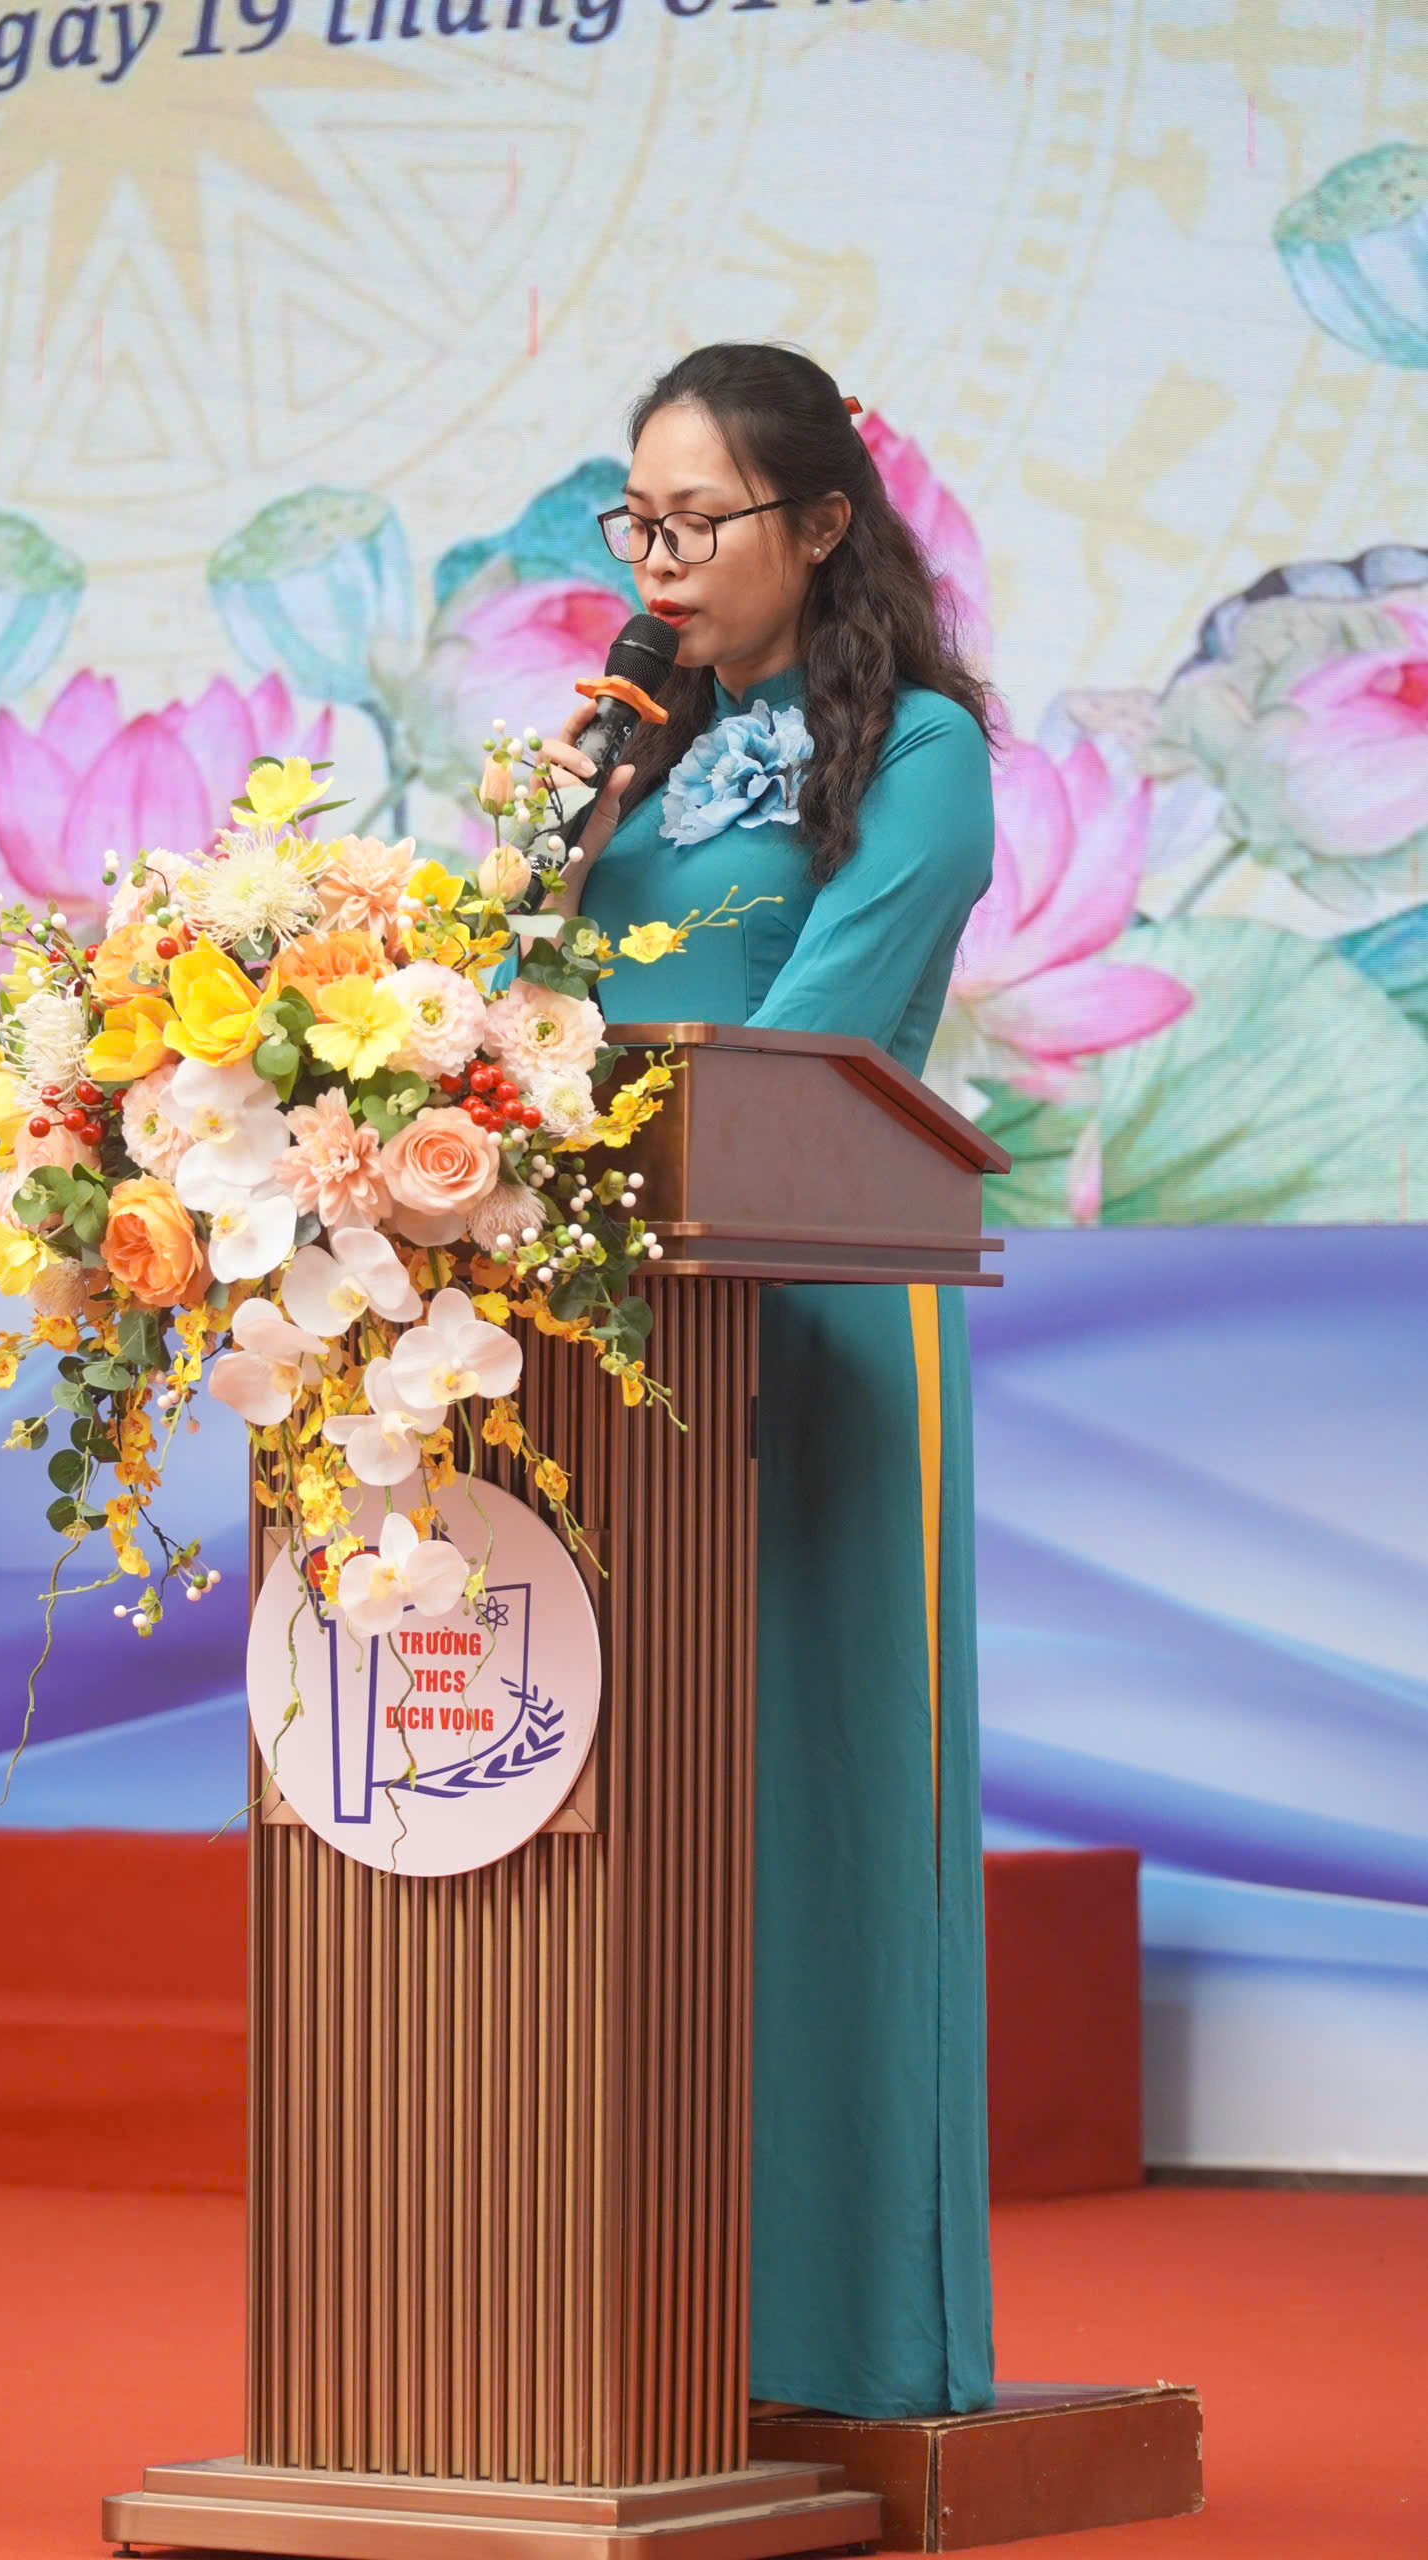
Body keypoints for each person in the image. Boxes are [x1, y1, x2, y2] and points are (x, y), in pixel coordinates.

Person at [540, 342, 999, 2419]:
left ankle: (830, 2350)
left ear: (820, 524)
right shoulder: (627, 752)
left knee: (810, 1806)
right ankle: (635, 2336)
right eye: (635, 520)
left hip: (817, 1307)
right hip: (601, 1337)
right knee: (628, 1828)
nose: (658, 560)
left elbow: (815, 1047)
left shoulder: (918, 751)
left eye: (697, 519)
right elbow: (517, 1010)